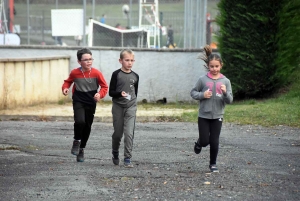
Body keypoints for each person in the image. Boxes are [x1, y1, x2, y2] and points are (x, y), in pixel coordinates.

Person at [190, 45, 233, 173]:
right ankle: (199, 143)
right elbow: (193, 92)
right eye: (212, 66)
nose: (214, 69)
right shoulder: (202, 80)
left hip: (218, 115)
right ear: (208, 66)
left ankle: (213, 164)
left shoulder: (226, 81)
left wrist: (225, 93)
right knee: (205, 140)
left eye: (217, 66)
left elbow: (230, 100)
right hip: (204, 115)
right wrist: (202, 95)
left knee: (214, 141)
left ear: (221, 66)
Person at [62, 48, 108, 162]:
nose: (89, 61)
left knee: (87, 126)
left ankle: (81, 149)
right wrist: (65, 88)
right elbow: (67, 81)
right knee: (80, 121)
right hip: (78, 99)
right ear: (79, 62)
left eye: (90, 59)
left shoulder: (96, 73)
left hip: (91, 101)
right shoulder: (75, 72)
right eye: (86, 60)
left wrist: (100, 94)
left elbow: (104, 87)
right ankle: (76, 141)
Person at [109, 49, 139, 168]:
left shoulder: (135, 76)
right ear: (120, 61)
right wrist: (119, 94)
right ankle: (115, 152)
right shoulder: (116, 74)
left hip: (131, 106)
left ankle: (127, 158)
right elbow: (111, 92)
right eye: (127, 60)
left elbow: (135, 92)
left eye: (132, 60)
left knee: (129, 133)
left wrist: (132, 101)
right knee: (118, 133)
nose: (129, 63)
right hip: (118, 106)